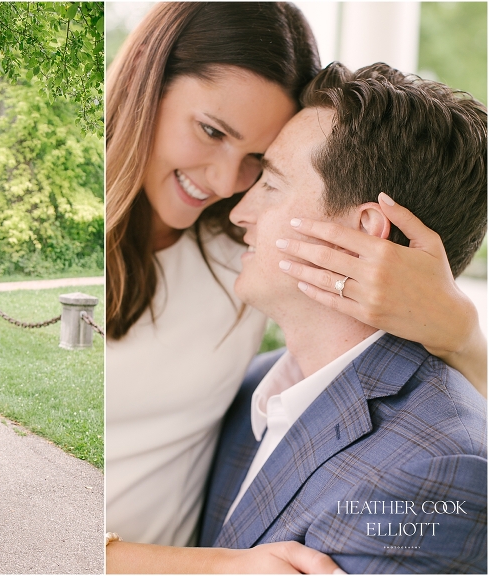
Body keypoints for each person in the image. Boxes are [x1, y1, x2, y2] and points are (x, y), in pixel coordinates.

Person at [105, 1, 487, 552]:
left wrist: (462, 333)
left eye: (261, 168)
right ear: (148, 76)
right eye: (211, 130)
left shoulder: (231, 253)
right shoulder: (258, 376)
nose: (228, 188)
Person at [212, 62, 485, 572]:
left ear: (365, 232)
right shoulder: (250, 386)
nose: (238, 212)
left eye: (270, 184)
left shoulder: (440, 469)